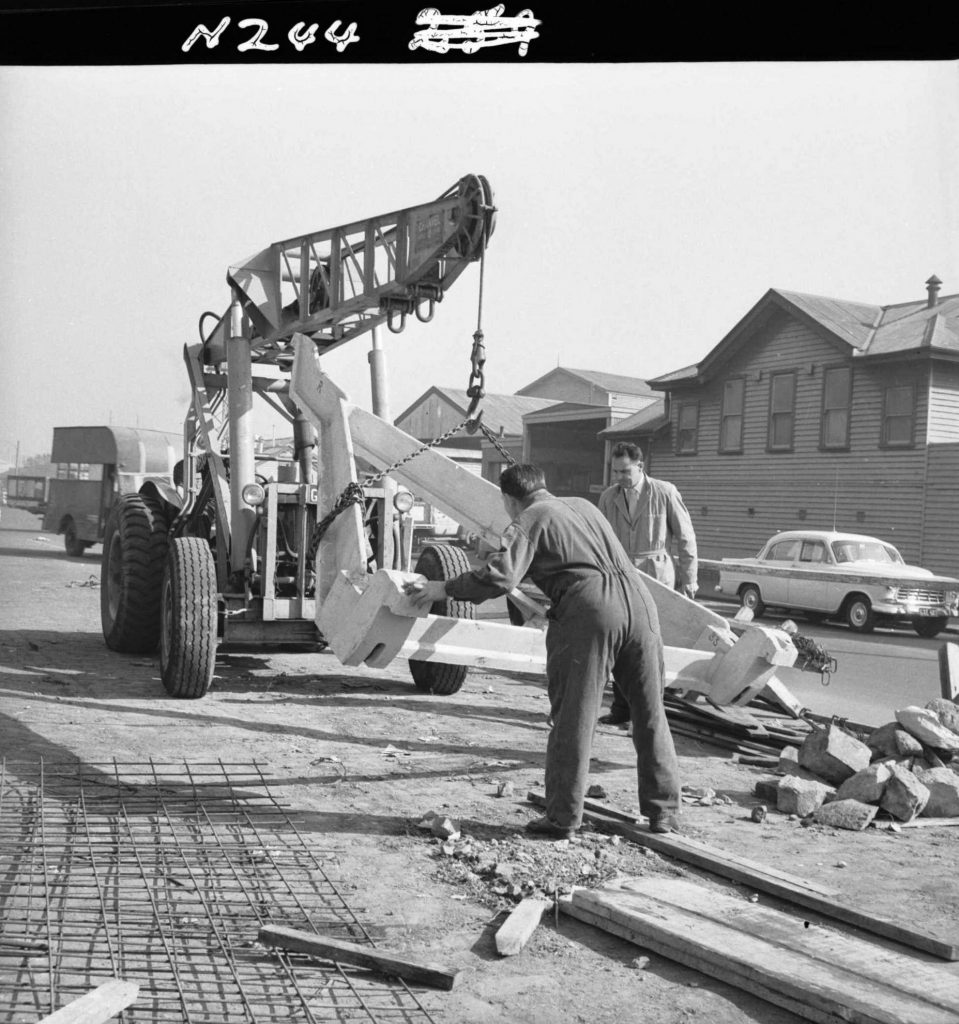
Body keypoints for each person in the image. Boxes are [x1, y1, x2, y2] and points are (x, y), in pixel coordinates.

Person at [406, 463, 681, 837]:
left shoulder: (530, 518)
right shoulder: (584, 506)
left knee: (574, 716)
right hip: (642, 605)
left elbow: (502, 577)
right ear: (542, 485)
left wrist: (444, 589)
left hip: (592, 609)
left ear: (508, 498)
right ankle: (663, 813)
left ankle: (562, 818)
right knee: (650, 714)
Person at [597, 441, 698, 726]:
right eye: (614, 471)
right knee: (619, 643)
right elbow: (600, 539)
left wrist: (689, 580)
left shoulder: (664, 492)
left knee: (650, 646)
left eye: (625, 471)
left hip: (657, 575)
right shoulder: (608, 497)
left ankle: (650, 714)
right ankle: (621, 710)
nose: (619, 477)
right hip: (620, 575)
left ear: (641, 466)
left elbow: (687, 538)